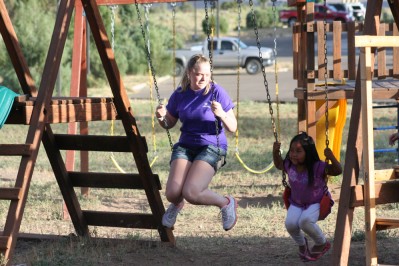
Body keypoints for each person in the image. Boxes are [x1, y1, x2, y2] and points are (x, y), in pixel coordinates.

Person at [155, 54, 238, 231]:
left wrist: (222, 114)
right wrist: (161, 117)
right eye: (199, 74)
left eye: (207, 75)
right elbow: (169, 123)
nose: (203, 78)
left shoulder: (217, 92)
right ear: (189, 73)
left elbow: (233, 127)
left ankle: (226, 203)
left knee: (191, 192)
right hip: (186, 146)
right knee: (172, 194)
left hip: (212, 146)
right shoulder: (179, 94)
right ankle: (176, 205)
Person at [273, 132, 342, 261]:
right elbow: (278, 164)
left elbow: (338, 170)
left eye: (298, 151)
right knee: (291, 224)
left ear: (308, 153)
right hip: (296, 202)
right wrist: (275, 151)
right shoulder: (289, 165)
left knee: (305, 221)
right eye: (292, 150)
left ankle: (322, 242)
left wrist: (331, 156)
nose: (293, 154)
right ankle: (302, 244)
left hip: (316, 202)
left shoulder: (318, 167)